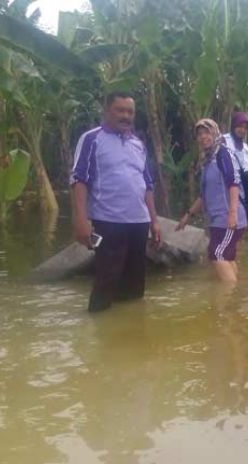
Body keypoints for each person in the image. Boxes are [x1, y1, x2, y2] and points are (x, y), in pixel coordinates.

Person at [71, 91, 161, 312]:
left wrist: (154, 221)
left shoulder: (138, 144)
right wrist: (82, 221)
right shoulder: (92, 139)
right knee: (106, 279)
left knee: (135, 283)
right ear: (107, 111)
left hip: (139, 223)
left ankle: (130, 332)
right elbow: (79, 180)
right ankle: (99, 333)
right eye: (120, 110)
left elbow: (147, 184)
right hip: (107, 222)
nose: (126, 116)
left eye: (130, 111)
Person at [176, 119, 247, 283]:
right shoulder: (208, 161)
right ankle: (238, 300)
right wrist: (188, 216)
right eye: (199, 134)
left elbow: (233, 184)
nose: (203, 137)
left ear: (215, 133)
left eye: (207, 132)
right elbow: (204, 196)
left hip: (228, 218)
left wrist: (233, 214)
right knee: (226, 256)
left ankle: (228, 299)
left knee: (217, 253)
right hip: (217, 219)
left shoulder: (223, 154)